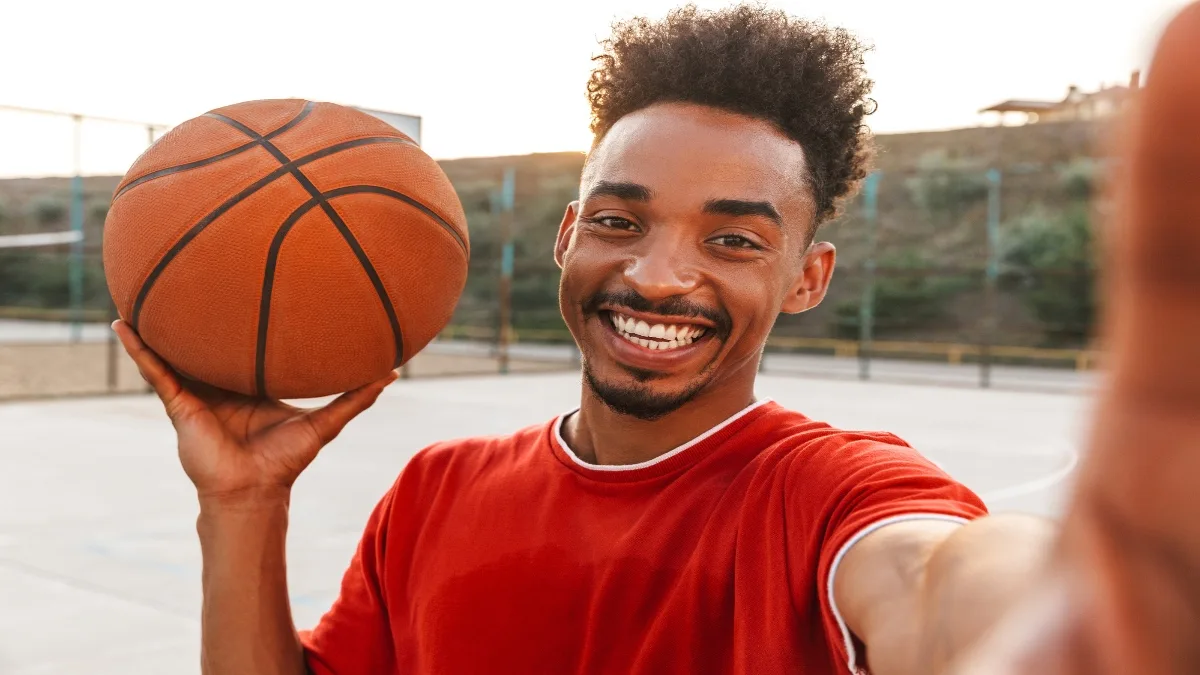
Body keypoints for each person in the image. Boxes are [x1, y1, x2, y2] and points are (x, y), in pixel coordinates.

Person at [113, 3, 1200, 674]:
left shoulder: (834, 496)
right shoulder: (434, 493)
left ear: (806, 277)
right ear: (567, 234)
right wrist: (243, 509)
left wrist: (1073, 623)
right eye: (619, 221)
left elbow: (942, 577)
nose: (657, 274)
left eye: (733, 238)